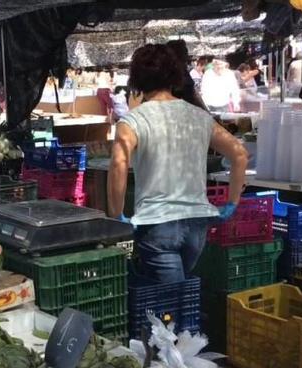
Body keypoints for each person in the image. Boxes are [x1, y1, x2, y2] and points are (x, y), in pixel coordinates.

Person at [107, 44, 249, 284]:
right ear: (175, 76)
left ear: (137, 80)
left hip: (157, 226)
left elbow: (119, 163)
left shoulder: (133, 121)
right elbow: (239, 154)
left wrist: (117, 213)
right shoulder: (199, 116)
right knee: (178, 300)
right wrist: (232, 203)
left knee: (171, 305)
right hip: (196, 226)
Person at [167, 39, 205, 109]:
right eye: (184, 52)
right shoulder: (172, 75)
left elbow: (193, 94)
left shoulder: (183, 72)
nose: (187, 56)